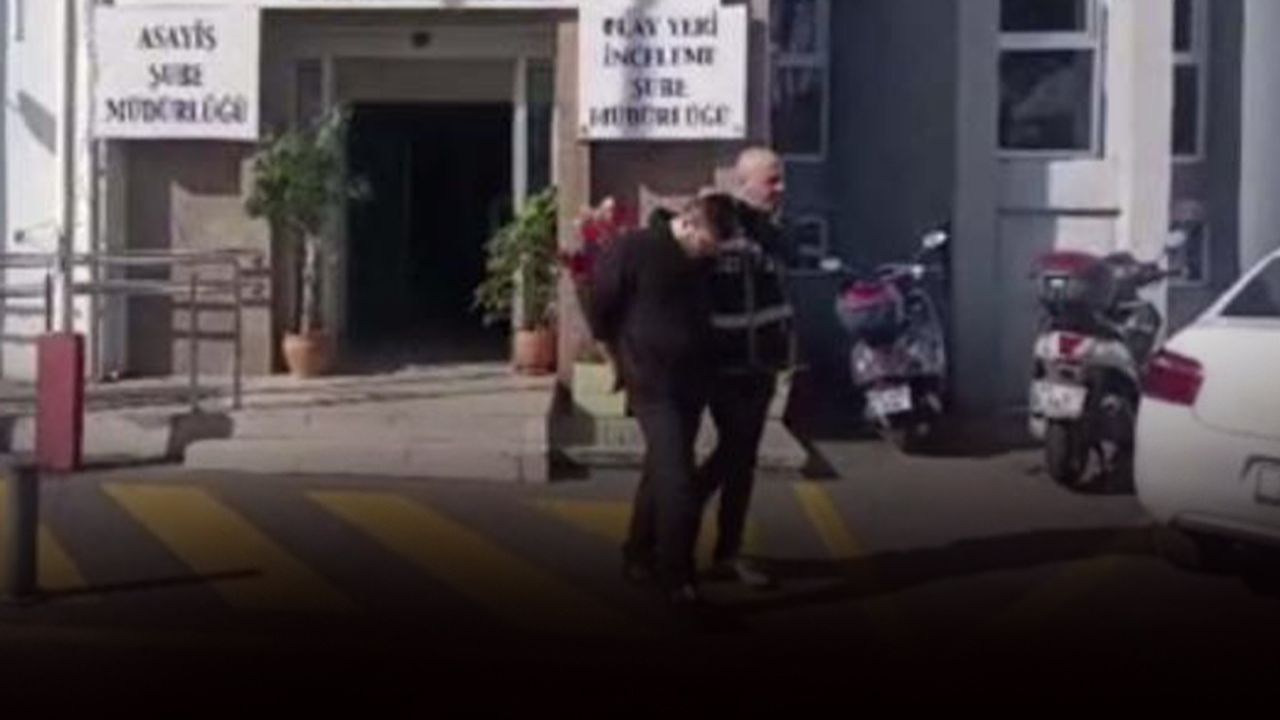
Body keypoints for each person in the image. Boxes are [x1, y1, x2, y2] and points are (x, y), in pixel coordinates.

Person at [588, 194, 739, 608]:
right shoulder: (634, 249)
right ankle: (678, 578)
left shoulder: (703, 261)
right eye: (706, 244)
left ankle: (638, 552)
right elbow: (601, 309)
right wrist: (615, 360)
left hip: (693, 378)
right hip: (650, 380)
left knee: (661, 468)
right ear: (688, 224)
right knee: (677, 477)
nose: (708, 254)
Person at [695, 147, 796, 590]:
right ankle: (677, 511)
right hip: (727, 362)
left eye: (781, 179)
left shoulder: (771, 229)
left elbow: (788, 265)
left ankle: (727, 554)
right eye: (771, 180)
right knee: (734, 452)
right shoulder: (721, 221)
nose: (780, 188)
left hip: (763, 363)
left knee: (743, 460)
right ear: (744, 182)